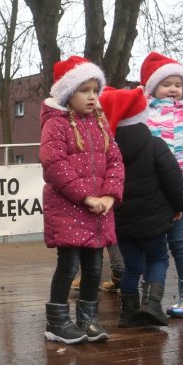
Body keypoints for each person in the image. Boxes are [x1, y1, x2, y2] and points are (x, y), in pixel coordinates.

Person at [39, 56, 124, 344]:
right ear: (67, 93)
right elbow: (54, 165)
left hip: (99, 209)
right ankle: (57, 321)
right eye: (83, 90)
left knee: (95, 266)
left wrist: (109, 195)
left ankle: (88, 318)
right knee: (69, 265)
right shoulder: (56, 125)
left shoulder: (100, 124)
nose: (91, 97)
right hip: (69, 207)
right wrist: (86, 196)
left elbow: (115, 160)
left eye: (95, 90)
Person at [99, 86, 183, 327]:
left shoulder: (109, 149)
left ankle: (128, 314)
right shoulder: (155, 145)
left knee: (132, 266)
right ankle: (151, 305)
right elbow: (173, 179)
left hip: (123, 223)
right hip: (154, 221)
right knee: (158, 259)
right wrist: (179, 205)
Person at [141, 52, 183, 318]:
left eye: (178, 84)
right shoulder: (143, 115)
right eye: (167, 83)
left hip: (182, 191)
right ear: (153, 87)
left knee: (181, 243)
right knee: (153, 245)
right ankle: (150, 295)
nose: (173, 89)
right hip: (154, 192)